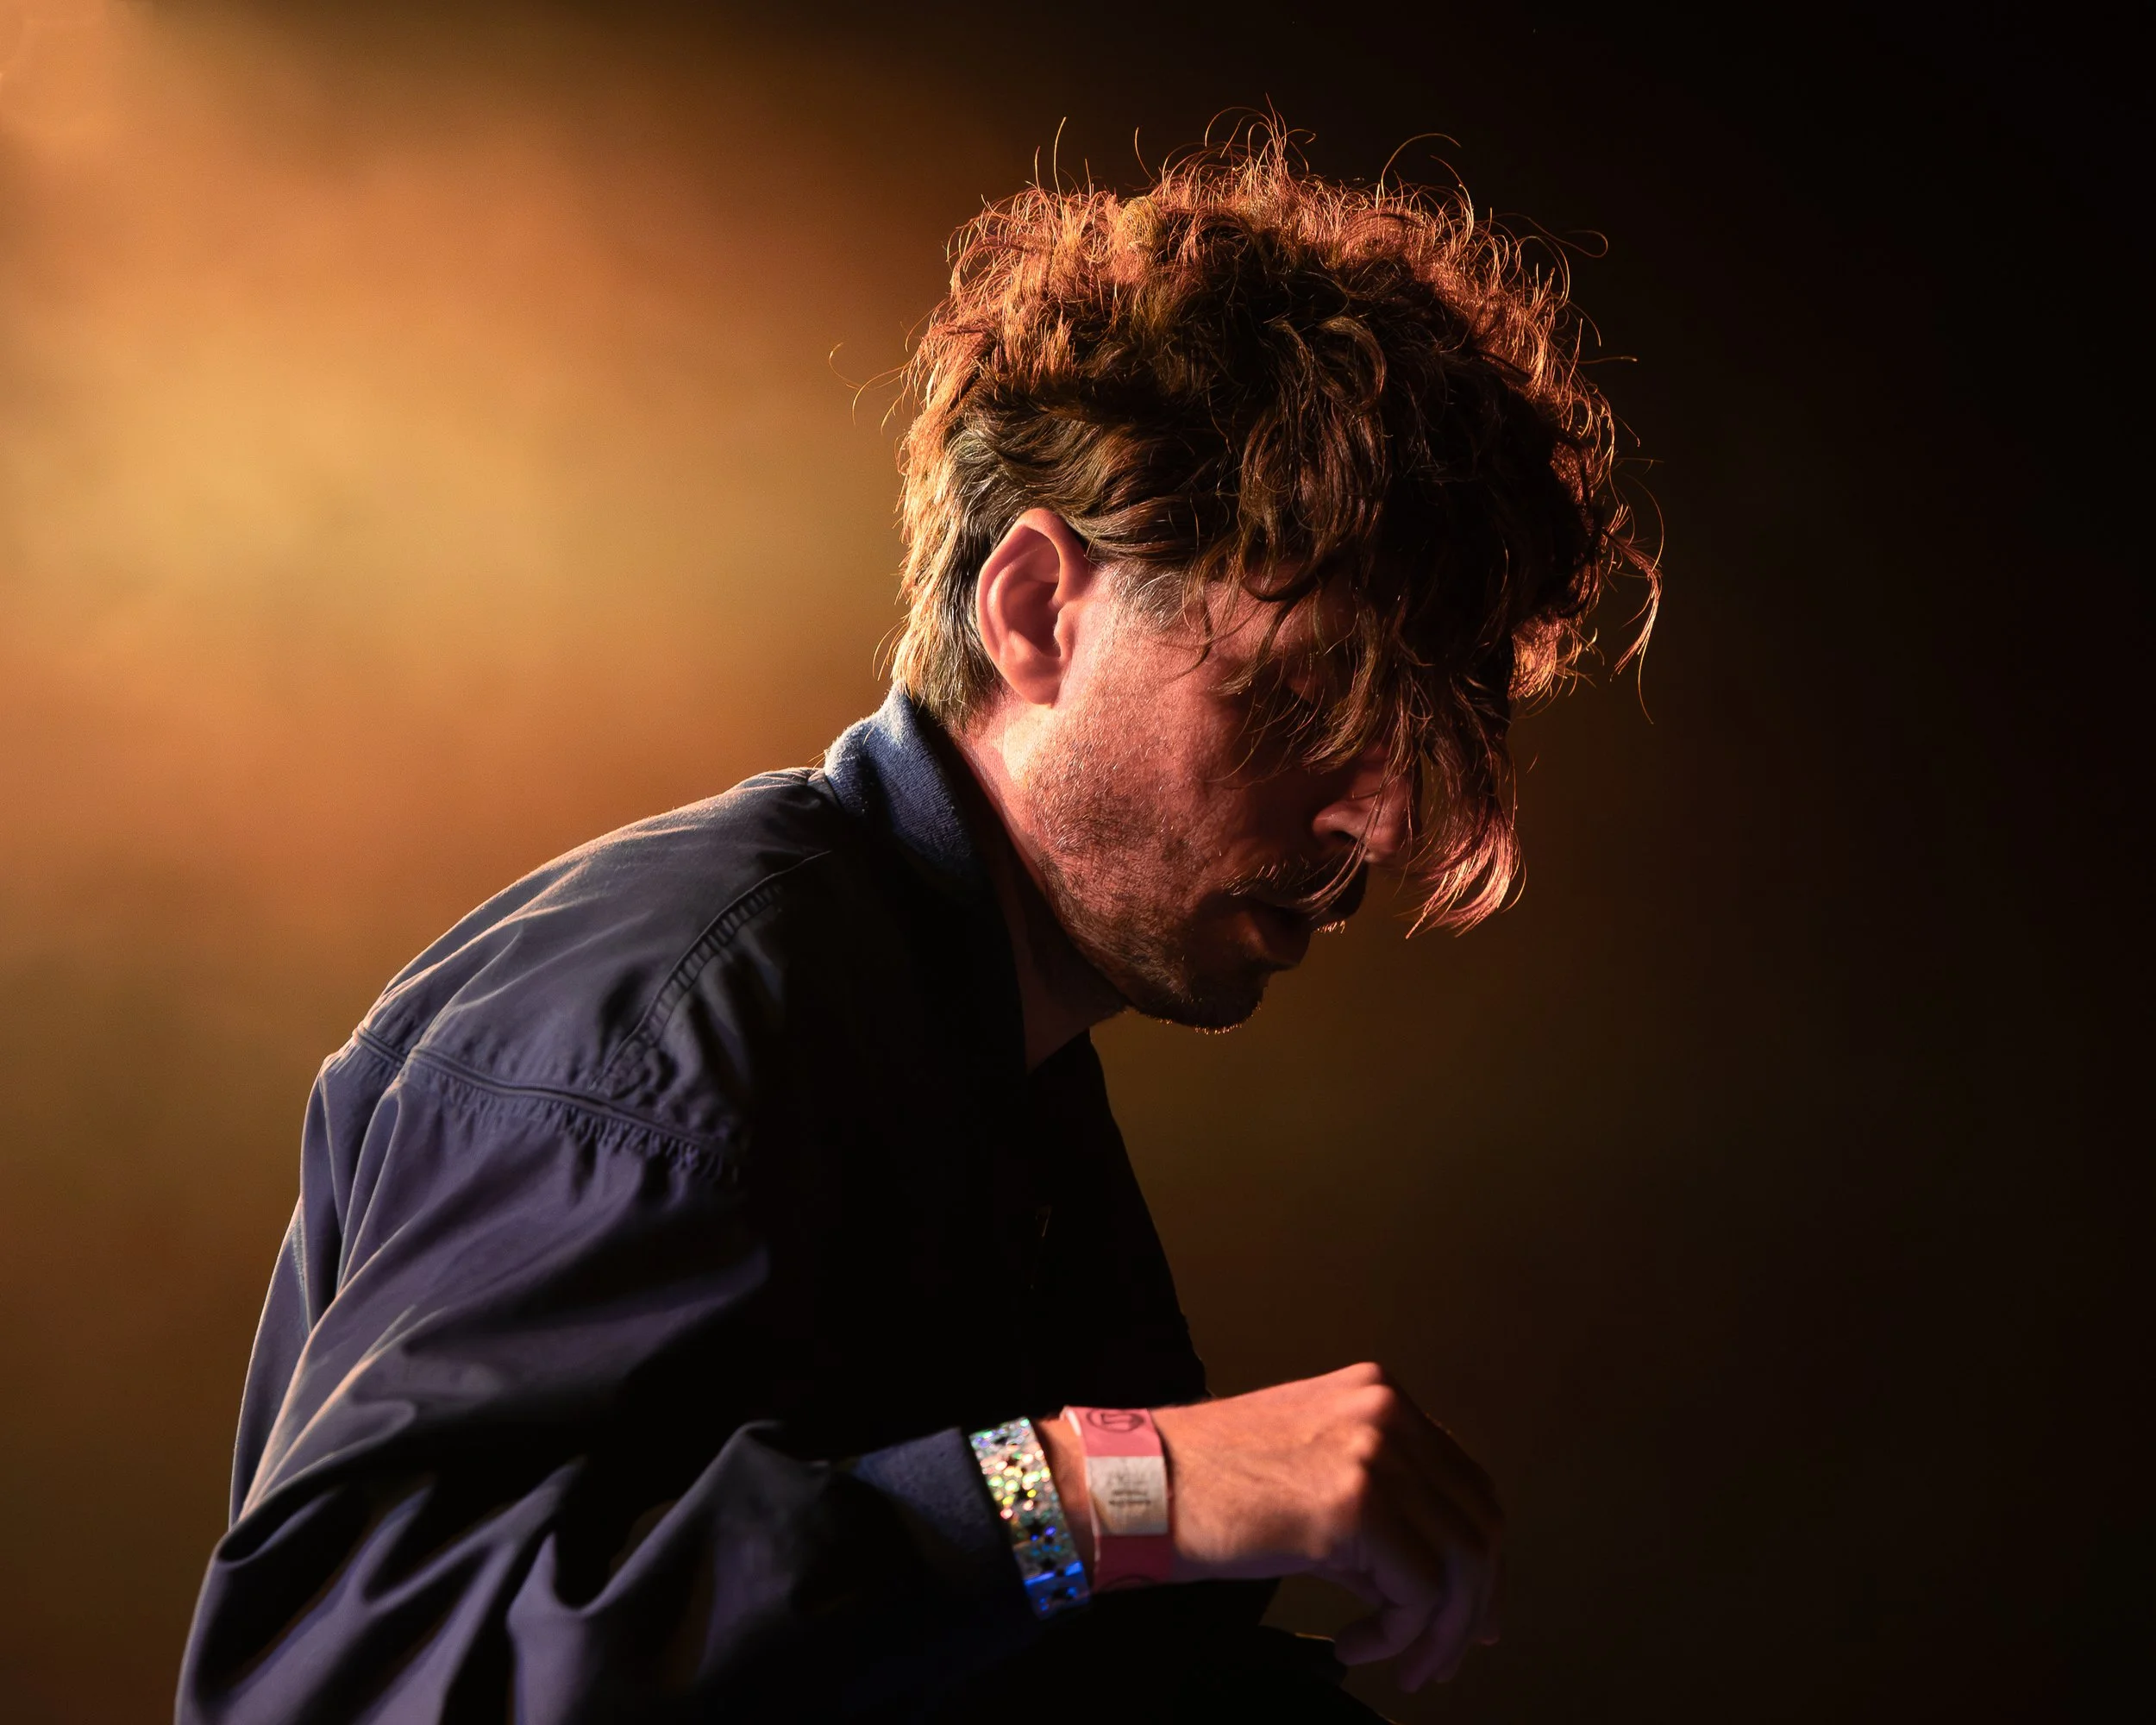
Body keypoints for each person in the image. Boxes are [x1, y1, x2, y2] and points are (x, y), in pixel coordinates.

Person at [177, 133, 1654, 1722]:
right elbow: (337, 1685)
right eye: (1305, 696)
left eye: (1411, 738)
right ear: (1034, 613)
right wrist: (1123, 1486)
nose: (1378, 819)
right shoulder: (684, 1019)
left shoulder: (989, 1069)